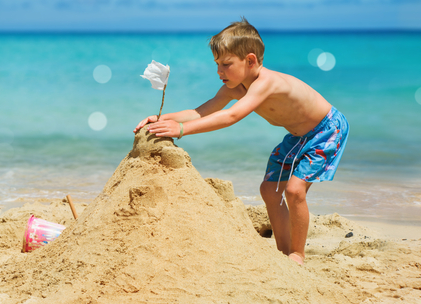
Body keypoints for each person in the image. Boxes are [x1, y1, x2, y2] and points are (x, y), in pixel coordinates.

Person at [134, 18, 348, 265]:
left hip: (326, 130)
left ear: (250, 61)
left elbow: (231, 115)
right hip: (297, 137)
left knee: (294, 190)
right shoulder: (234, 88)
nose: (219, 71)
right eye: (217, 64)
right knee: (269, 189)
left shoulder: (266, 83)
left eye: (226, 64)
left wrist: (181, 129)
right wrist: (162, 118)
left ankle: (297, 254)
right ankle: (283, 252)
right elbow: (202, 111)